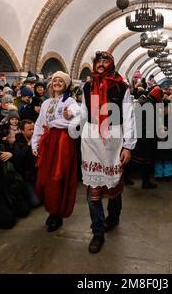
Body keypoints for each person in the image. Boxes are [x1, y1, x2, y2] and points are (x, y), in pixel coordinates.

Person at [81, 51, 136, 254]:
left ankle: (113, 217)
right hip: (92, 138)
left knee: (113, 184)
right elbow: (85, 113)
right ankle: (97, 232)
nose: (101, 64)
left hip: (113, 138)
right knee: (93, 188)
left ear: (111, 64)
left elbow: (129, 116)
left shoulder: (121, 86)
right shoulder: (88, 86)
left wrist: (128, 145)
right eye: (99, 61)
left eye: (105, 61)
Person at [32, 71, 80, 233]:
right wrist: (35, 143)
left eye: (61, 81)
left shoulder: (70, 101)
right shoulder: (46, 103)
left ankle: (57, 214)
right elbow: (40, 124)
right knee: (44, 178)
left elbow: (78, 114)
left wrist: (71, 114)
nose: (57, 83)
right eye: (54, 80)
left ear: (66, 84)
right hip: (48, 142)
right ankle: (51, 208)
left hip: (63, 143)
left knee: (58, 178)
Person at [131, 86, 163, 190]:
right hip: (146, 137)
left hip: (140, 135)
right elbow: (151, 123)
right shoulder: (151, 105)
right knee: (146, 160)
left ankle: (126, 177)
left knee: (137, 159)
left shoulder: (145, 101)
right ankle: (145, 182)